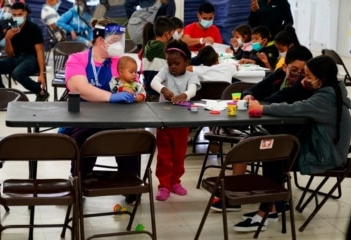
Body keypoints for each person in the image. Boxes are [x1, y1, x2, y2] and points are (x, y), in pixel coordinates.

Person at [233, 55, 351, 232]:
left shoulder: (325, 99)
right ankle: (270, 209)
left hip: (325, 156)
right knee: (273, 152)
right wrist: (302, 86)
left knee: (275, 156)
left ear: (322, 78)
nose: (305, 79)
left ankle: (263, 213)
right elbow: (293, 103)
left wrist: (262, 108)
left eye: (309, 76)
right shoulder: (332, 91)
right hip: (323, 149)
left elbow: (296, 108)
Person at [211, 45, 313, 212]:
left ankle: (272, 200)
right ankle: (236, 196)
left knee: (264, 145)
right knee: (244, 145)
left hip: (295, 138)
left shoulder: (308, 87)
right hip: (272, 129)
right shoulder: (279, 76)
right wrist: (248, 95)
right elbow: (254, 90)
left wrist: (299, 87)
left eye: (304, 72)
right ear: (285, 66)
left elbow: (276, 100)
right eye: (294, 70)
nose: (299, 75)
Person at [64, 17, 140, 205]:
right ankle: (80, 180)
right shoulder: (77, 59)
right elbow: (79, 88)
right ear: (100, 41)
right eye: (115, 42)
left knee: (132, 139)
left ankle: (130, 183)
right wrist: (111, 97)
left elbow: (136, 84)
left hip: (118, 121)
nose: (120, 46)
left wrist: (136, 92)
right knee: (84, 140)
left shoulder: (120, 63)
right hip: (85, 120)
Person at [150, 39, 201, 201]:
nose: (172, 67)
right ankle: (164, 185)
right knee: (164, 156)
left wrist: (184, 95)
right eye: (169, 63)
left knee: (179, 155)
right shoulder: (165, 71)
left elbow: (193, 89)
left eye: (176, 63)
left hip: (182, 123)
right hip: (164, 122)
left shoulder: (191, 75)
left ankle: (175, 182)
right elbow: (154, 82)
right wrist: (163, 89)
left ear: (187, 62)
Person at [0, 2, 48, 101]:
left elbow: (39, 51)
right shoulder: (11, 29)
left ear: (25, 14)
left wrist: (42, 73)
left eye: (19, 14)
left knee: (16, 73)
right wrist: (8, 39)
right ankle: (2, 96)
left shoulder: (34, 28)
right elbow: (9, 54)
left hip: (32, 59)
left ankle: (40, 91)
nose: (17, 17)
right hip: (17, 58)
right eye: (14, 15)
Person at [142, 16, 175, 102]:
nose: (172, 37)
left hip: (147, 92)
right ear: (167, 34)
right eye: (172, 34)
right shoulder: (166, 49)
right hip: (160, 93)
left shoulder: (147, 47)